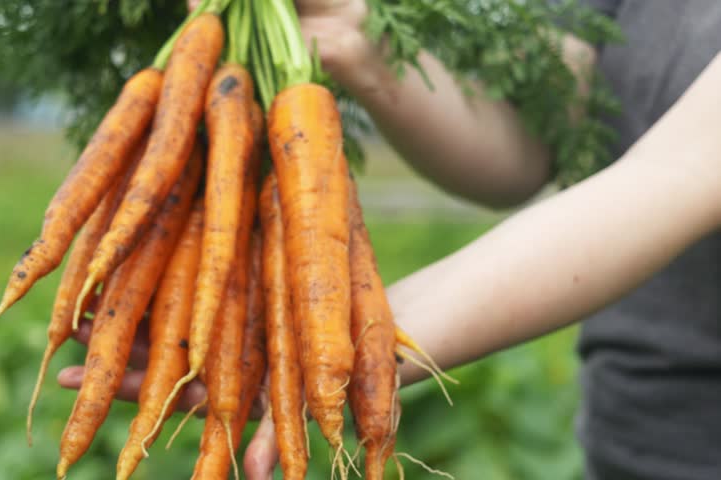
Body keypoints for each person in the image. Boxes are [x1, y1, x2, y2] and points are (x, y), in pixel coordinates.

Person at [59, 1, 721, 478]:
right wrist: (355, 37)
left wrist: (364, 338)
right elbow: (529, 142)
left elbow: (684, 170)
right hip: (631, 433)